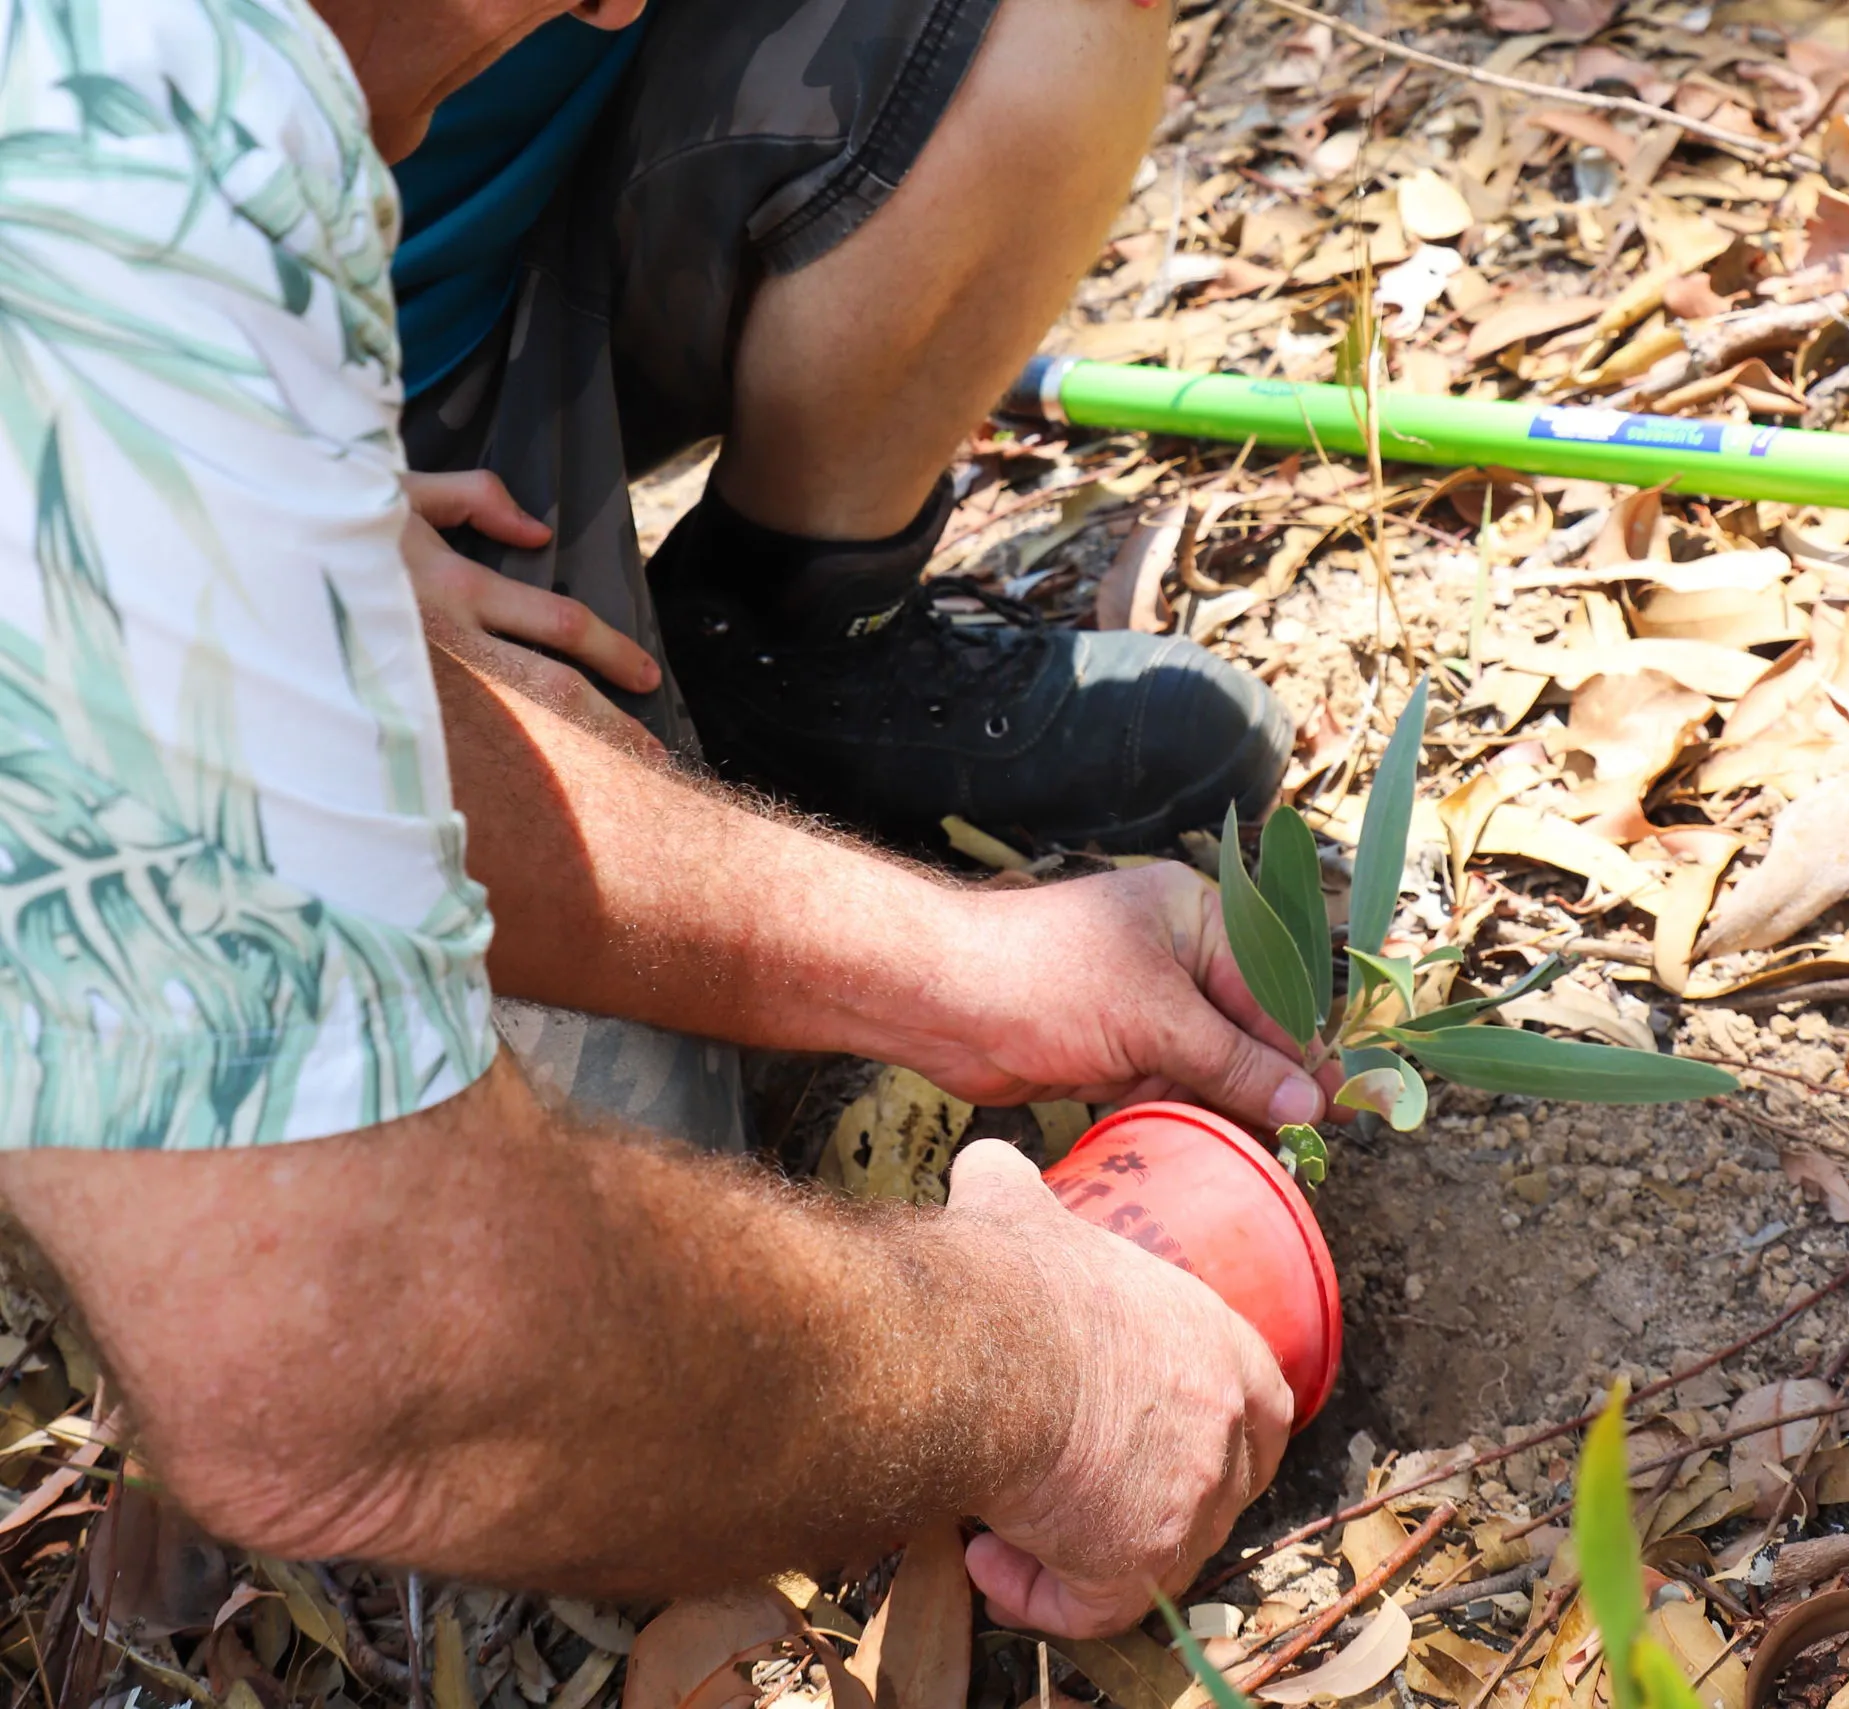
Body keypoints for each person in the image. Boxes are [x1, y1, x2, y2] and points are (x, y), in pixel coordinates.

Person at [0, 0, 1330, 1641]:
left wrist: (958, 964)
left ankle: (793, 659)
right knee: (574, 1472)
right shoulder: (140, 123)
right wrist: (1043, 1373)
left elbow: (202, 715)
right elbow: (357, 1351)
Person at [390, 0, 1294, 852]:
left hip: (511, 218)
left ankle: (794, 648)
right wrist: (292, 513)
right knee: (586, 936)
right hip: (326, 428)